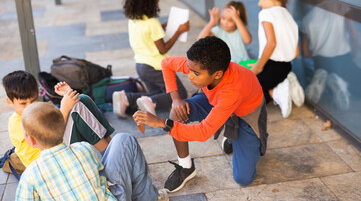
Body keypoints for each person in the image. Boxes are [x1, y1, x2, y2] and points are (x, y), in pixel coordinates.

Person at [133, 36, 268, 193]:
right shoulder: (199, 65)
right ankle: (186, 168)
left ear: (217, 74)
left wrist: (161, 123)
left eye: (195, 73)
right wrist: (176, 98)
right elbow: (166, 64)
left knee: (243, 178)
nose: (189, 76)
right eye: (189, 70)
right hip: (215, 100)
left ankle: (236, 130)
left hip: (247, 112)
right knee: (176, 113)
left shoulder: (231, 89)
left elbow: (203, 133)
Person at [15, 102, 168, 201]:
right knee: (123, 139)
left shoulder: (30, 176)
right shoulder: (83, 149)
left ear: (31, 140)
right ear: (63, 126)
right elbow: (103, 175)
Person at [2, 70, 114, 175]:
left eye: (33, 100)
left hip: (56, 151)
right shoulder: (17, 123)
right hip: (49, 166)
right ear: (9, 102)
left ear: (38, 94)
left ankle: (113, 147)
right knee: (77, 109)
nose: (29, 106)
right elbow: (49, 138)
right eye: (23, 103)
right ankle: (112, 161)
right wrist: (65, 108)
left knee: (82, 99)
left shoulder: (37, 109)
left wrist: (68, 95)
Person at [113, 0, 189, 118]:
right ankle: (151, 102)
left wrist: (166, 24)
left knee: (158, 93)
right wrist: (179, 31)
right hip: (156, 67)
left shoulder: (134, 19)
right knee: (181, 94)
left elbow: (149, 34)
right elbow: (163, 49)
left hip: (141, 67)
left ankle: (127, 98)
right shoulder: (152, 23)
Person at [300, 0, 361, 110]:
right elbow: (354, 37)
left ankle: (326, 83)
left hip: (320, 61)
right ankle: (343, 84)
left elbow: (305, 53)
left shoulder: (306, 19)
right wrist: (355, 58)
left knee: (322, 73)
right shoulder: (341, 7)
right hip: (343, 58)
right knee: (358, 82)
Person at [251, 0, 304, 118]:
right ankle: (282, 84)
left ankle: (277, 92)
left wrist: (258, 66)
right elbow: (296, 52)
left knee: (247, 97)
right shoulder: (289, 16)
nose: (259, 3)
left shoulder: (265, 14)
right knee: (258, 97)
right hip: (286, 67)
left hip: (270, 66)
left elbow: (271, 43)